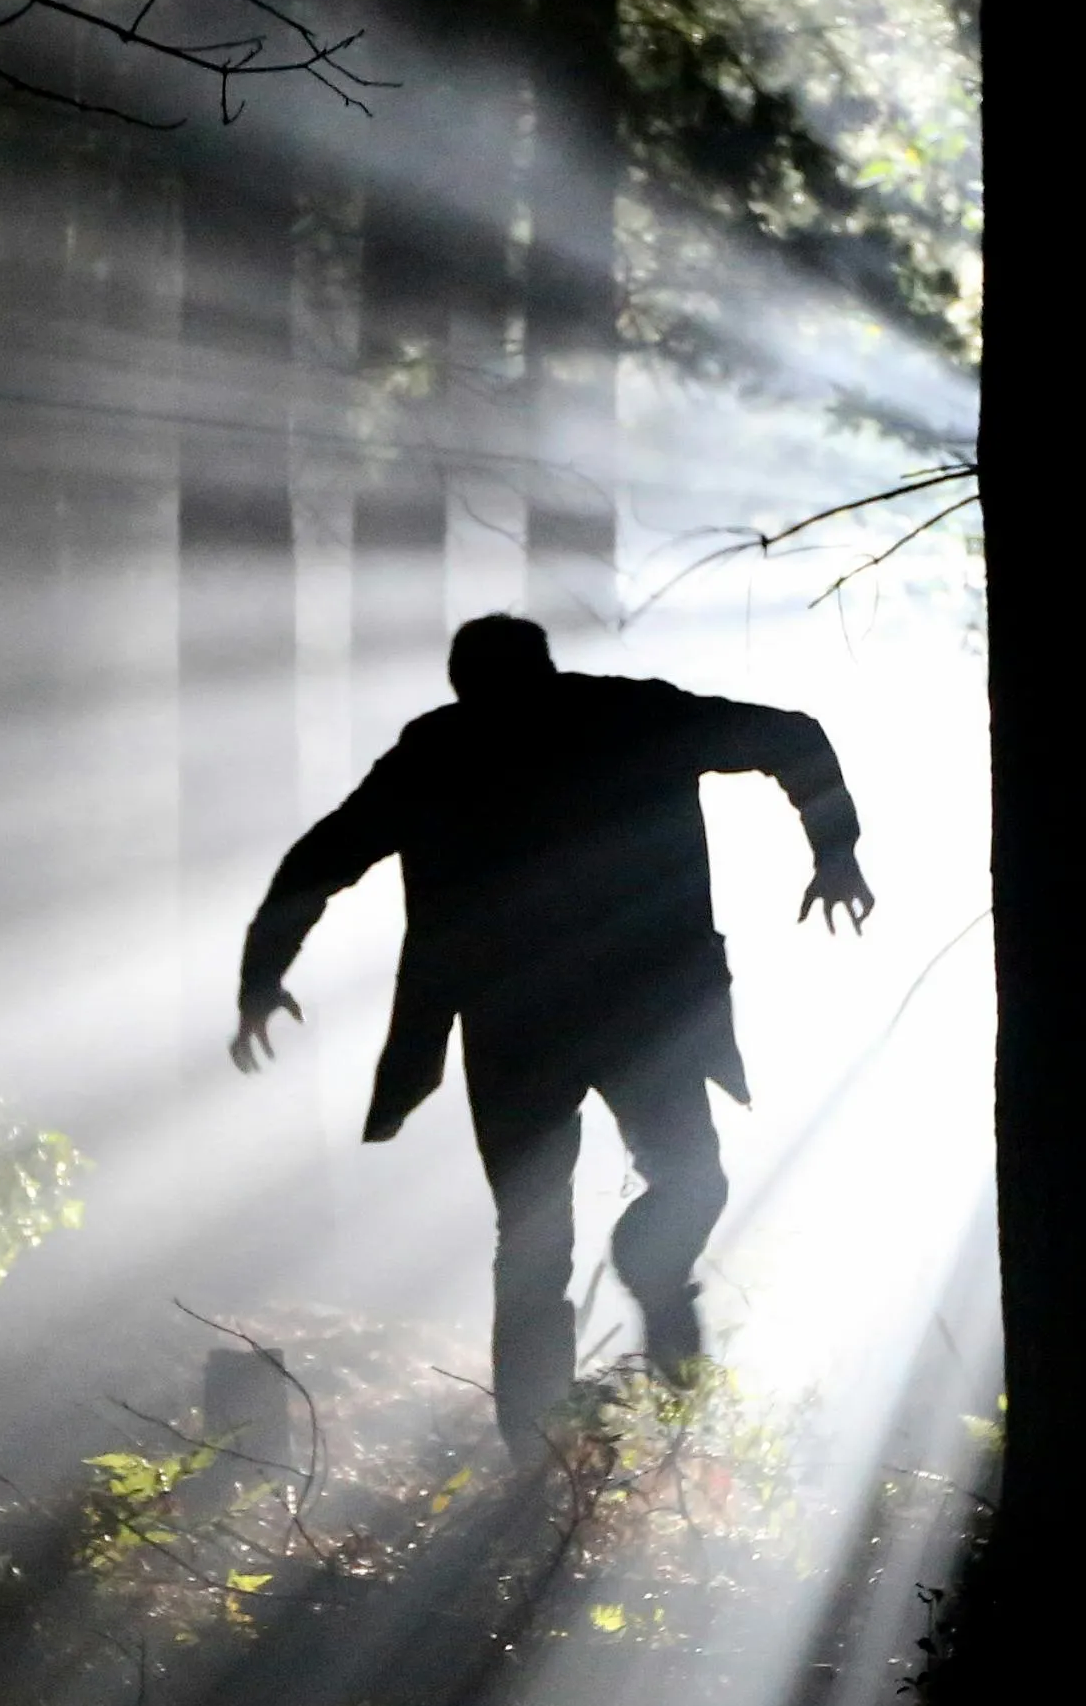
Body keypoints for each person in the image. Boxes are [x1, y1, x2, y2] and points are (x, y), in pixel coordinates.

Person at [233, 613, 872, 1444]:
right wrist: (836, 849)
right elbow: (794, 738)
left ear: (466, 682)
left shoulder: (444, 751)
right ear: (544, 666)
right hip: (636, 1009)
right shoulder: (630, 717)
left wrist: (262, 975)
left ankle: (539, 1450)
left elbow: (320, 860)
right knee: (676, 1185)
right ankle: (643, 1349)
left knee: (536, 1236)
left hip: (523, 1022)